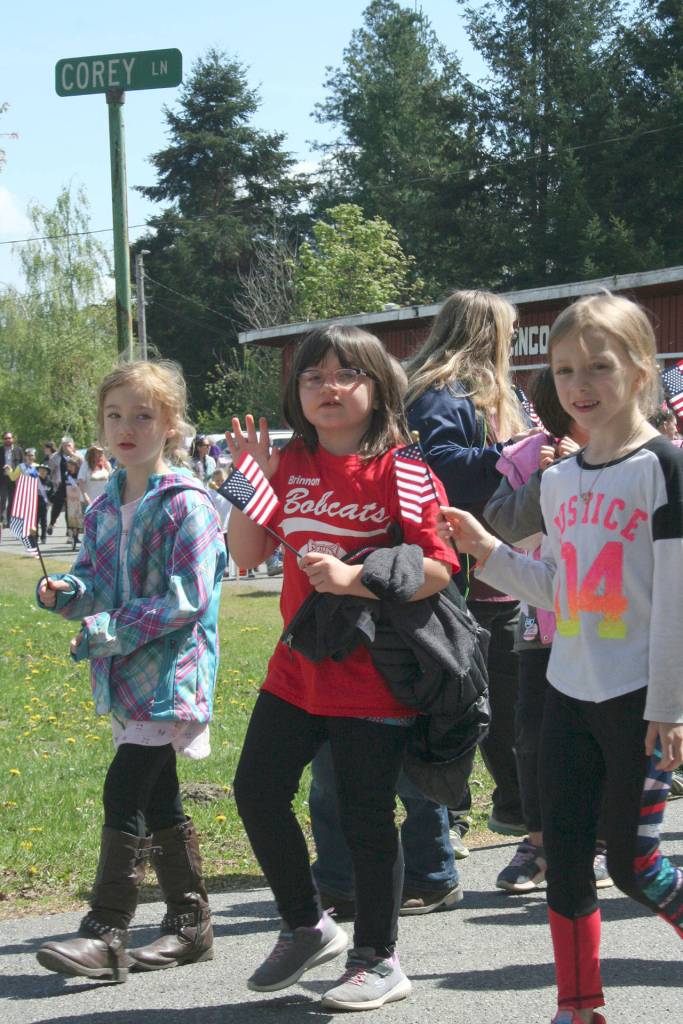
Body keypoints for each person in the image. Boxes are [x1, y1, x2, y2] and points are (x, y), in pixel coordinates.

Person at [439, 293, 683, 1024]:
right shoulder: (556, 480)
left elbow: (675, 596)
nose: (580, 385)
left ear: (640, 370)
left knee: (635, 868)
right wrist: (485, 551)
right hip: (564, 694)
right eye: (566, 369)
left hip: (638, 701)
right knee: (566, 862)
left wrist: (669, 706)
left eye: (599, 367)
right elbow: (557, 590)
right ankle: (578, 1009)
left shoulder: (663, 468)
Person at [229, 325, 458, 1011]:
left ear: (377, 385)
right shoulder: (290, 463)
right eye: (312, 377)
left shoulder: (403, 468)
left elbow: (441, 567)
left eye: (345, 374)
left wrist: (355, 579)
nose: (327, 387)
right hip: (296, 669)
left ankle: (378, 958)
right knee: (256, 791)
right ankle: (305, 925)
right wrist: (251, 478)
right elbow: (244, 556)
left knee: (364, 817)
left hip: (374, 675)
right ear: (295, 393)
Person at [34, 359, 227, 982]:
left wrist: (108, 630)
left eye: (143, 415)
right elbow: (94, 579)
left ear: (170, 425)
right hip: (125, 678)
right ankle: (190, 923)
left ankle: (106, 932)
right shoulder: (104, 502)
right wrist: (66, 592)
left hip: (171, 673)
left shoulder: (186, 503)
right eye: (114, 415)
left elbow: (188, 598)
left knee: (125, 788)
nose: (126, 427)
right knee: (158, 795)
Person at [405, 289, 537, 840]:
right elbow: (440, 468)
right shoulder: (439, 393)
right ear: (488, 333)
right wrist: (514, 455)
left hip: (502, 571)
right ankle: (454, 817)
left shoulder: (501, 395)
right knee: (465, 705)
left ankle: (508, 808)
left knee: (504, 709)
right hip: (459, 575)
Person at [482, 367, 613, 893]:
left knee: (604, 737)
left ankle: (600, 843)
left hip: (611, 626)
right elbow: (503, 525)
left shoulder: (640, 456)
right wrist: (545, 477)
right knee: (532, 737)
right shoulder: (528, 457)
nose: (581, 393)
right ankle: (536, 843)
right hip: (543, 620)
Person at [47, 436, 77, 535]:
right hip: (60, 484)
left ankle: (69, 530)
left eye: (68, 445)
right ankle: (51, 523)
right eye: (64, 446)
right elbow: (49, 471)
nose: (66, 448)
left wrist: (73, 455)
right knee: (57, 505)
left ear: (73, 446)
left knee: (70, 508)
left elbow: (81, 465)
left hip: (73, 486)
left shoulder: (77, 456)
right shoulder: (56, 457)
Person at [1, 430, 24, 527]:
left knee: (12, 500)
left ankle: (9, 521)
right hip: (2, 478)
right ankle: (2, 520)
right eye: (6, 438)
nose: (8, 440)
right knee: (2, 499)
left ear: (13, 439)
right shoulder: (0, 450)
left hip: (14, 478)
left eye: (9, 438)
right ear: (3, 440)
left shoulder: (18, 450)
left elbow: (22, 464)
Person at [36, 464, 55, 544]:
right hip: (36, 504)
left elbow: (52, 493)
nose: (42, 472)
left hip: (45, 505)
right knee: (35, 521)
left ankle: (43, 537)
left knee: (44, 522)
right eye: (40, 470)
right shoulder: (35, 481)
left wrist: (51, 502)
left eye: (44, 470)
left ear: (47, 472)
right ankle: (35, 536)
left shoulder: (50, 482)